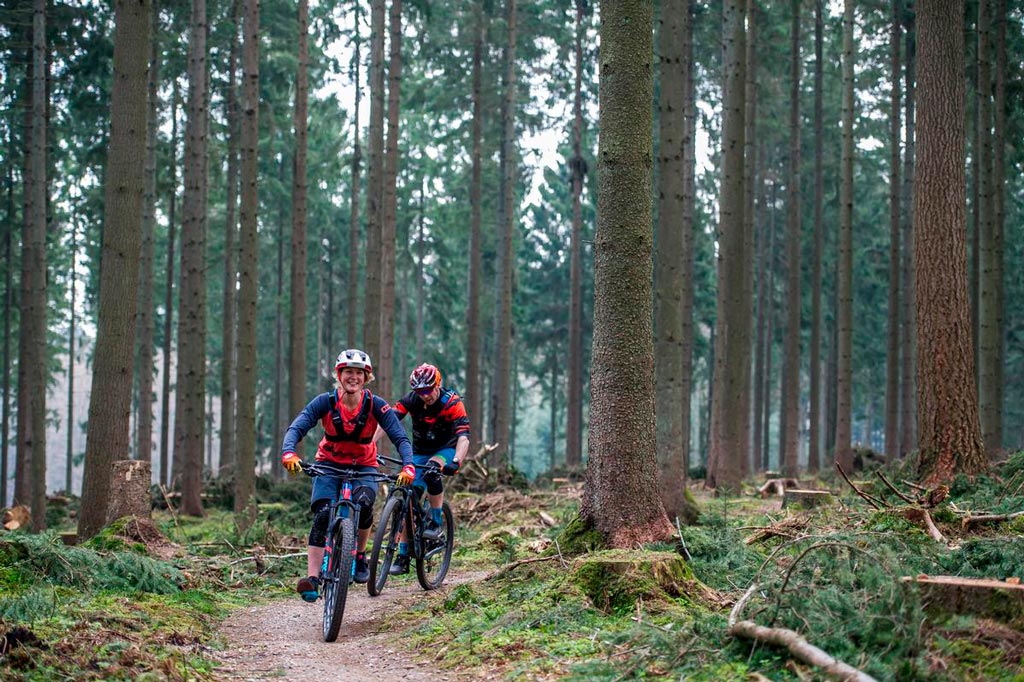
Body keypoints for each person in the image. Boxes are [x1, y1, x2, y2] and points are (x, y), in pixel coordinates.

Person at [281, 348, 415, 602]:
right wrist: (289, 452)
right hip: (328, 464)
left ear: (366, 378)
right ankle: (313, 578)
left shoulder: (377, 406)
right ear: (339, 375)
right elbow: (298, 425)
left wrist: (408, 465)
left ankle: (360, 555)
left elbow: (400, 437)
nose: (353, 377)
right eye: (348, 372)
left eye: (358, 373)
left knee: (364, 506)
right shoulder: (325, 402)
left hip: (364, 466)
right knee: (322, 515)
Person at [375, 363, 470, 575]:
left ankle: (436, 522)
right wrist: (370, 445)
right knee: (409, 496)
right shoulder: (412, 400)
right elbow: (387, 421)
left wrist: (457, 460)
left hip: (445, 449)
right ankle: (403, 553)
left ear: (438, 385)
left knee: (431, 471)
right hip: (418, 451)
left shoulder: (452, 403)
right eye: (420, 391)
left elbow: (464, 438)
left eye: (428, 390)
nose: (424, 396)